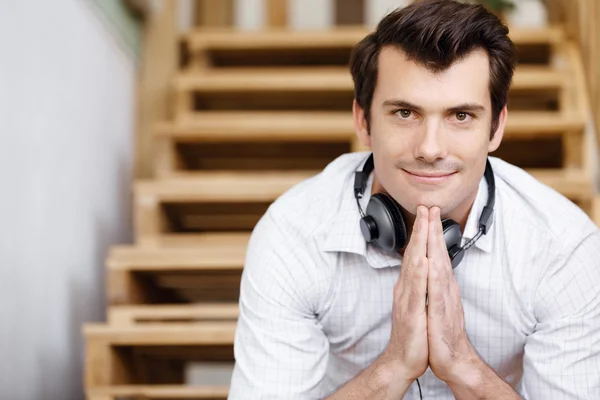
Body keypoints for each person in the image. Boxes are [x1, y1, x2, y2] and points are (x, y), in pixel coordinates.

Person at [228, 0, 600, 398]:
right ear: (363, 121)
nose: (430, 148)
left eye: (461, 116)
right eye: (405, 113)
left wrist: (461, 364)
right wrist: (393, 367)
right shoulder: (293, 234)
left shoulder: (564, 248)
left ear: (496, 128)